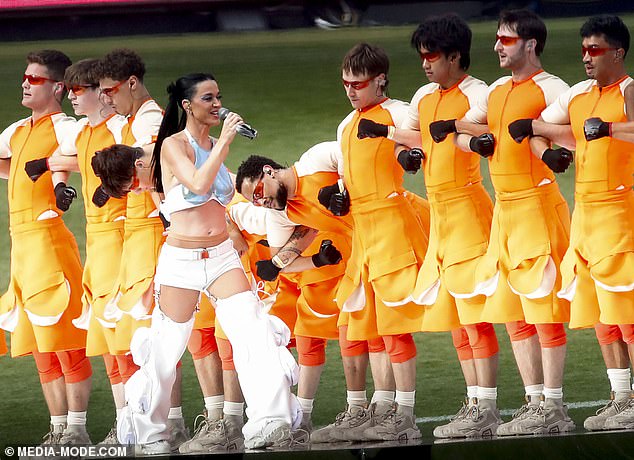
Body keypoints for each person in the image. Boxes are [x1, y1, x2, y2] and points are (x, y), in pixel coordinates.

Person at [93, 73, 300, 453]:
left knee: (252, 331)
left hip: (221, 256)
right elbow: (198, 184)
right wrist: (224, 141)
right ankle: (151, 431)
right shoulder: (171, 145)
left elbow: (221, 193)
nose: (217, 104)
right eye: (208, 98)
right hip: (182, 260)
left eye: (219, 96)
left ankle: (270, 421)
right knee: (166, 347)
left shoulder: (212, 148)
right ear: (188, 106)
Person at [444, 10, 574, 435]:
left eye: (507, 40)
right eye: (498, 39)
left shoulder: (553, 87)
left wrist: (541, 137)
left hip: (537, 206)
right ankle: (533, 401)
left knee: (544, 309)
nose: (498, 47)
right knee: (514, 312)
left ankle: (553, 405)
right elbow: (463, 129)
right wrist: (470, 139)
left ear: (531, 44)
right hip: (505, 212)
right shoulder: (498, 88)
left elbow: (572, 133)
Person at [383, 14, 500, 438]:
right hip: (441, 216)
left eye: (432, 56)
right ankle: (474, 404)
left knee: (475, 316)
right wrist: (404, 156)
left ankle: (486, 408)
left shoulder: (478, 93)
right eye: (422, 57)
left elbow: (484, 134)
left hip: (469, 209)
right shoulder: (424, 95)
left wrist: (452, 131)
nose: (425, 64)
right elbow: (408, 138)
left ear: (455, 55)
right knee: (455, 318)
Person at [236, 143, 399, 443]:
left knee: (396, 328)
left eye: (259, 193)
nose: (261, 203)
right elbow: (283, 257)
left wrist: (342, 187)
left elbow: (351, 153)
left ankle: (390, 412)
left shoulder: (314, 160)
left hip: (390, 229)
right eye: (254, 202)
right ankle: (373, 410)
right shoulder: (281, 213)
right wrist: (317, 261)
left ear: (268, 172)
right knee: (361, 329)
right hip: (363, 253)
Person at [524, 15, 634, 431]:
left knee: (626, 312)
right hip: (586, 215)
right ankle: (621, 397)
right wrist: (546, 146)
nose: (586, 57)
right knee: (601, 312)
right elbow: (530, 126)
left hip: (620, 212)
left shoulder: (628, 89)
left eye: (595, 49)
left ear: (618, 53)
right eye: (583, 49)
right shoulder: (579, 93)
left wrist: (609, 128)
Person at [317, 43, 429, 441]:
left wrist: (393, 140)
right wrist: (340, 195)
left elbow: (420, 140)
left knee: (394, 325)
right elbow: (349, 173)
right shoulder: (346, 124)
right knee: (365, 324)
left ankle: (405, 417)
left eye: (358, 84)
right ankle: (380, 410)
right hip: (363, 232)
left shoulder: (397, 112)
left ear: (380, 79)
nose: (350, 91)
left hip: (392, 227)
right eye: (346, 83)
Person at [23, 57, 130, 445]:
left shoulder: (120, 127)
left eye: (77, 90)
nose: (71, 97)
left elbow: (144, 163)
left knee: (127, 341)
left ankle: (143, 425)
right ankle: (125, 426)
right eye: (68, 90)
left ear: (101, 92)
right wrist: (59, 180)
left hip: (123, 239)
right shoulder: (83, 132)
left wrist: (115, 185)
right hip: (98, 244)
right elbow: (68, 158)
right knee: (108, 345)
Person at [95, 48, 189, 450]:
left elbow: (157, 181)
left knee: (158, 337)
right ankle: (157, 423)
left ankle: (168, 425)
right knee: (148, 338)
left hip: (153, 232)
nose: (106, 99)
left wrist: (169, 226)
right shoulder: (132, 121)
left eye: (110, 90)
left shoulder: (149, 122)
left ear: (132, 83)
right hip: (141, 234)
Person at [0, 50, 92, 444]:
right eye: (25, 77)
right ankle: (57, 429)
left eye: (34, 79)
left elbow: (91, 155)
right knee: (40, 348)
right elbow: (8, 164)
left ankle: (77, 430)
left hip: (49, 243)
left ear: (57, 87)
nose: (25, 83)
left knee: (66, 344)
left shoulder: (66, 127)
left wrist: (55, 169)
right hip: (22, 249)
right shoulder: (16, 130)